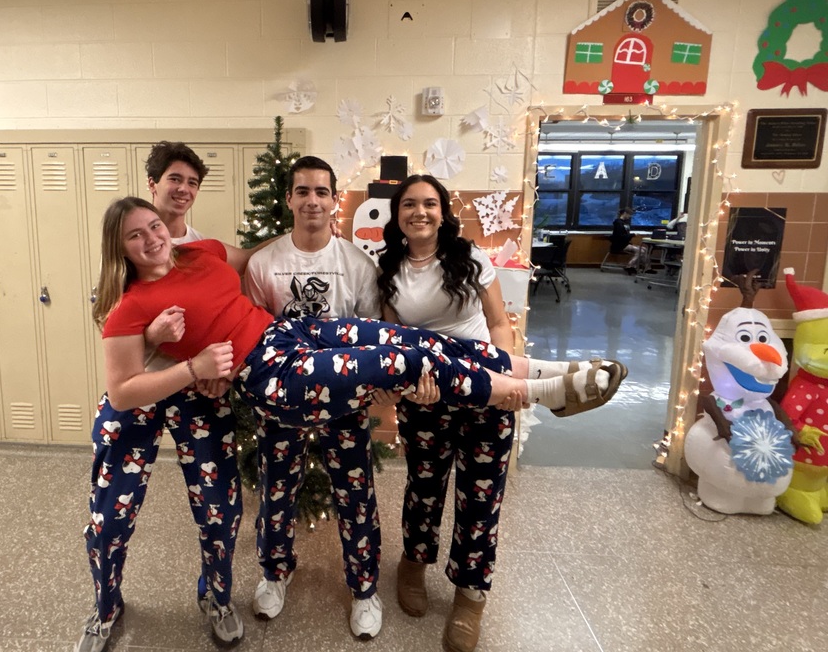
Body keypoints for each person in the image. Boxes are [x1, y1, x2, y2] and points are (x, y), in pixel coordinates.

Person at [87, 197, 626, 648]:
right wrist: (191, 365)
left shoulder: (199, 252)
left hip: (288, 335)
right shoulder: (129, 307)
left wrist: (299, 219)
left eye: (154, 226)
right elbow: (123, 388)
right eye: (137, 235)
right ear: (122, 248)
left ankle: (559, 372)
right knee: (396, 362)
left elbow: (252, 251)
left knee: (414, 341)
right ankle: (537, 393)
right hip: (271, 374)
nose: (153, 238)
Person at [376, 174, 623, 652]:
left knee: (481, 498)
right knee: (424, 488)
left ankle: (471, 595)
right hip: (428, 396)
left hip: (487, 391)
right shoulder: (388, 268)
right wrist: (410, 390)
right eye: (409, 204)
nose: (419, 212)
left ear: (444, 212)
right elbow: (395, 342)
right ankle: (413, 564)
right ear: (398, 214)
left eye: (429, 203)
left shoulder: (469, 257)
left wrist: (504, 378)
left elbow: (497, 324)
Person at [76, 142, 252, 652]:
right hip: (140, 391)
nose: (183, 190)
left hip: (199, 394)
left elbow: (246, 285)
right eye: (175, 179)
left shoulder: (201, 248)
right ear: (154, 185)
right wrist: (152, 338)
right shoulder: (123, 271)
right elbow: (120, 370)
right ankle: (106, 606)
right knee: (109, 517)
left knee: (219, 506)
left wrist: (310, 226)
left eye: (192, 182)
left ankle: (217, 597)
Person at [243, 156, 394, 639]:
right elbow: (253, 338)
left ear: (334, 200)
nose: (312, 200)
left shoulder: (356, 264)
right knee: (276, 491)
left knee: (356, 495)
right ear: (289, 199)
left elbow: (373, 340)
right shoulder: (263, 264)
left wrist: (372, 394)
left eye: (321, 192)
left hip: (343, 406)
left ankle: (365, 587)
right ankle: (275, 573)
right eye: (302, 191)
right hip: (282, 405)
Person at [610, 207, 640, 275]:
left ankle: (644, 267)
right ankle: (630, 266)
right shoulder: (618, 223)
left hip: (624, 244)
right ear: (625, 213)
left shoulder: (623, 223)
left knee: (643, 250)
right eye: (629, 215)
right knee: (641, 250)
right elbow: (620, 236)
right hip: (619, 245)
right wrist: (632, 235)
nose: (630, 217)